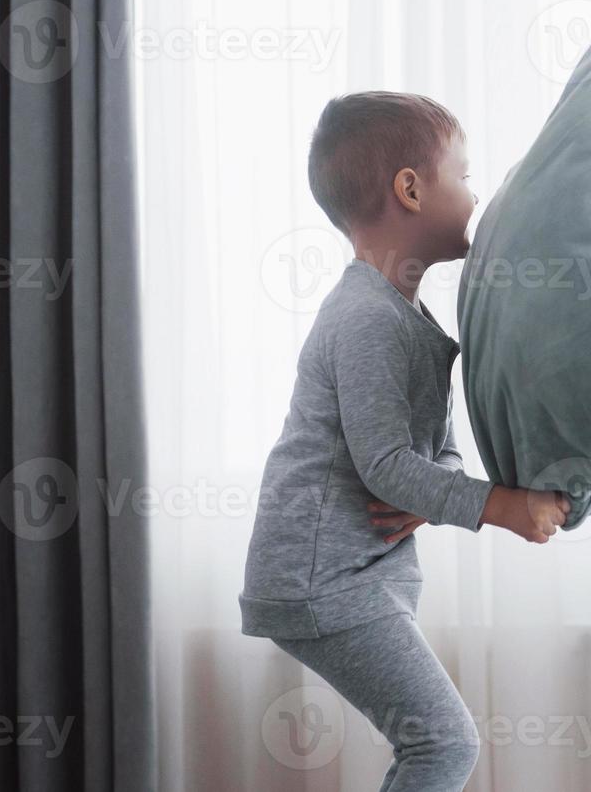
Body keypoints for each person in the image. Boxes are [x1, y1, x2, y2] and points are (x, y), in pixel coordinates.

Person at [239, 92, 569, 791]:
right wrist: (501, 506)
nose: (476, 195)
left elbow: (431, 451)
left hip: (360, 570)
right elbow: (387, 463)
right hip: (319, 574)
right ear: (411, 189)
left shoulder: (411, 318)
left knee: (436, 741)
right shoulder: (366, 318)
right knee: (443, 744)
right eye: (466, 175)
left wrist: (431, 492)